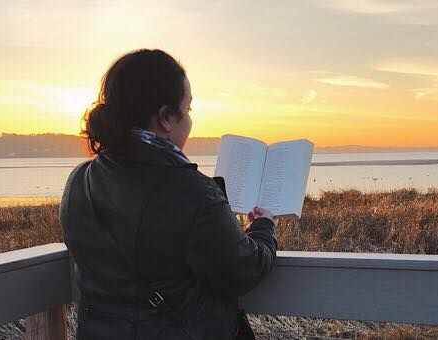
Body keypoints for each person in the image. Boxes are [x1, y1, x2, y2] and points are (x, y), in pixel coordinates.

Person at [59, 49, 278, 340]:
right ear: (165, 118)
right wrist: (264, 229)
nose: (189, 121)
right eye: (187, 110)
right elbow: (243, 270)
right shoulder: (191, 191)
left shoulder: (79, 182)